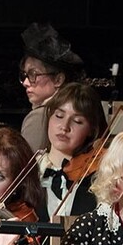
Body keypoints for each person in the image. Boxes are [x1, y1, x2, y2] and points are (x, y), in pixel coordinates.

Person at [39, 82, 108, 219]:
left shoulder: (100, 177)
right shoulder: (29, 171)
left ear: (91, 130)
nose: (64, 127)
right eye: (59, 116)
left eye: (77, 121)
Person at [18, 23, 85, 152]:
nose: (26, 82)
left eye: (33, 74)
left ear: (58, 80)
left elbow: (26, 162)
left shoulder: (39, 116)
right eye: (25, 75)